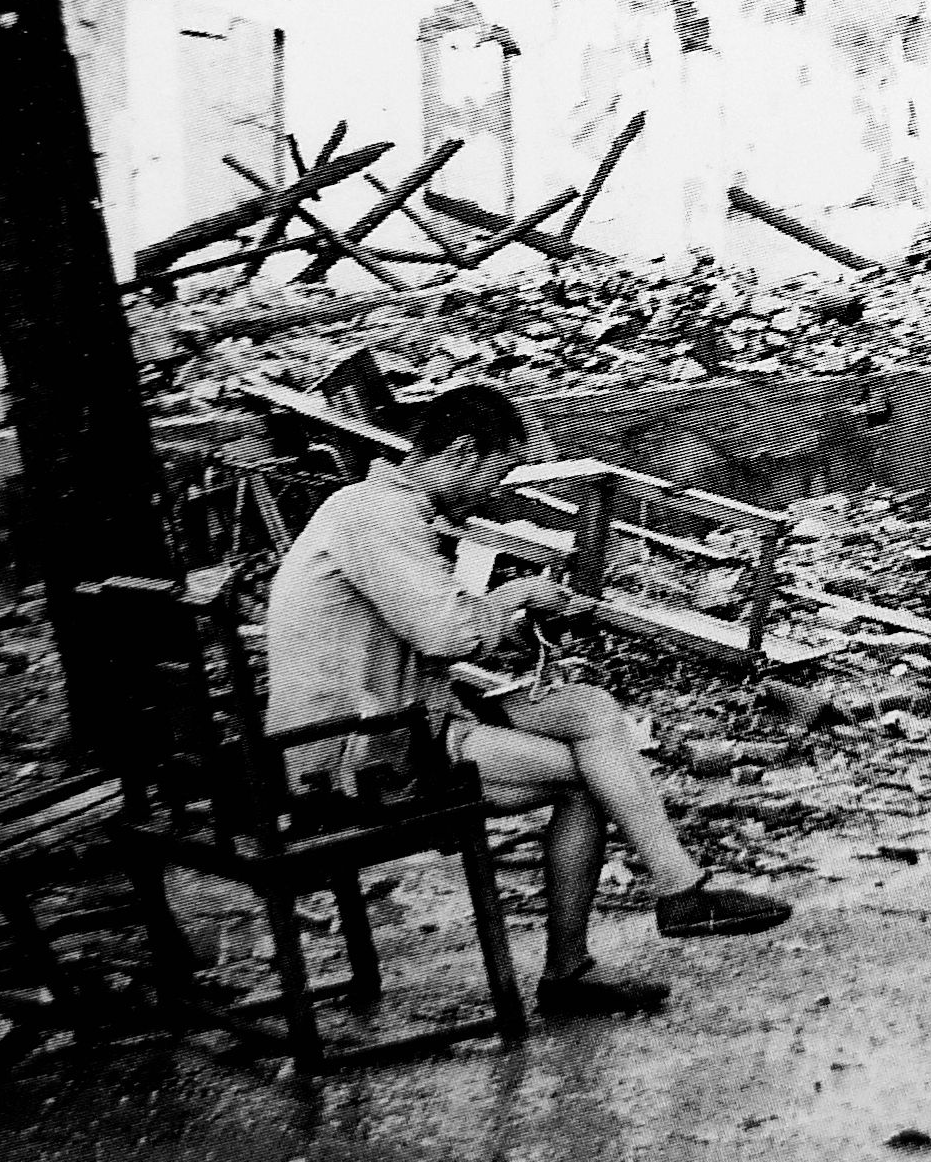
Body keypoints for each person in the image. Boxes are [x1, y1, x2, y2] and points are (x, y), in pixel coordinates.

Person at [264, 383, 790, 1020]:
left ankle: (678, 888)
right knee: (589, 783)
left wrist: (508, 639)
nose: (494, 489)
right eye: (498, 470)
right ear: (463, 451)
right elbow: (444, 634)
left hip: (391, 718)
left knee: (591, 709)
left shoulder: (377, 508)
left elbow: (424, 631)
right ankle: (577, 966)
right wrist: (513, 597)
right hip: (349, 758)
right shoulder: (378, 518)